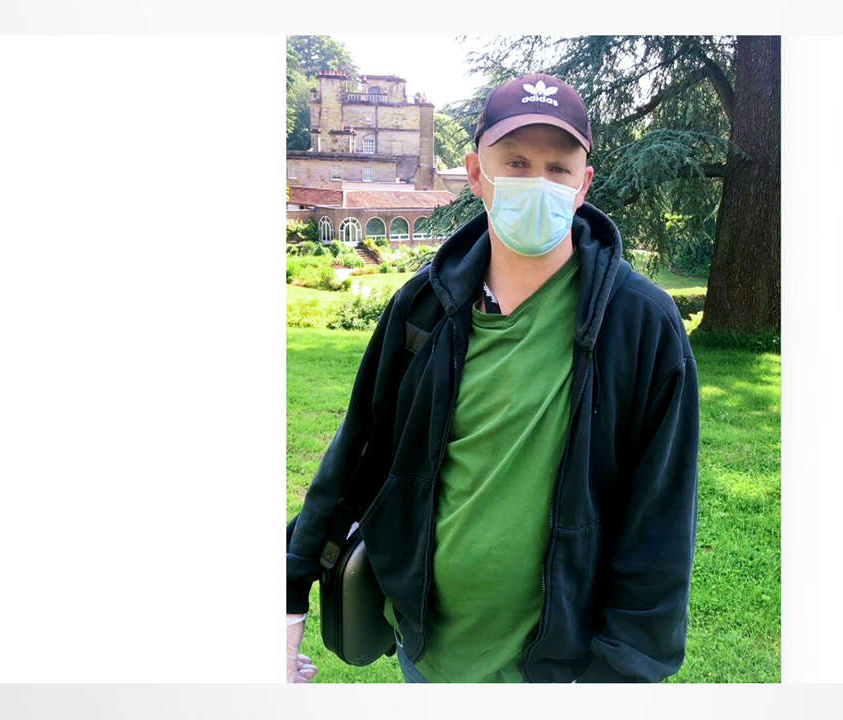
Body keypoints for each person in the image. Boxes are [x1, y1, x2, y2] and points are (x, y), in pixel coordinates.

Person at [285, 72, 700, 683]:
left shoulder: (639, 324)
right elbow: (358, 451)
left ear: (583, 185)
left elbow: (661, 521)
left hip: (557, 674)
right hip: (425, 654)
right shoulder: (424, 307)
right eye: (517, 163)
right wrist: (289, 593)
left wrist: (621, 677)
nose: (538, 183)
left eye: (558, 168)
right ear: (477, 174)